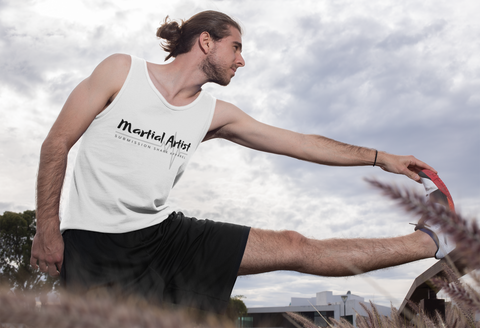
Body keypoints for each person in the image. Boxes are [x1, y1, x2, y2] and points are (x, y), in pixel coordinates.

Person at [30, 10, 450, 312]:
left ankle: (433, 240)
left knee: (294, 245)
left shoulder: (214, 113)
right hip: (94, 247)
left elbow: (300, 143)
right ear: (206, 41)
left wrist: (381, 159)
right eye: (236, 47)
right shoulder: (121, 71)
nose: (242, 60)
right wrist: (47, 230)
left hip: (163, 237)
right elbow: (57, 144)